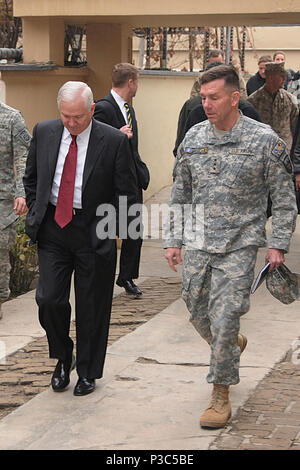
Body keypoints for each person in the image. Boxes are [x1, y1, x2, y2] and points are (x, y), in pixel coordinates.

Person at [164, 65, 297, 429]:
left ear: (234, 98)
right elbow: (180, 194)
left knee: (223, 317)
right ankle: (230, 344)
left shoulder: (264, 140)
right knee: (197, 310)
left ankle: (220, 391)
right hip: (198, 242)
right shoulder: (193, 137)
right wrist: (173, 239)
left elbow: (285, 200)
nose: (206, 104)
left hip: (240, 243)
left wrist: (278, 245)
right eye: (203, 97)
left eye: (214, 97)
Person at [23, 81, 138, 396]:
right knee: (48, 299)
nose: (72, 124)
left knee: (92, 306)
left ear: (91, 110)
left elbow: (127, 192)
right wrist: (35, 210)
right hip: (53, 228)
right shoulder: (44, 131)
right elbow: (31, 177)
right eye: (66, 116)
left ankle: (88, 371)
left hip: (92, 230)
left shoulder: (113, 140)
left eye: (78, 117)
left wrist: (114, 231)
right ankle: (63, 356)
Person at [94, 63, 150, 298]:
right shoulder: (102, 108)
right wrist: (118, 134)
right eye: (137, 81)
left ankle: (126, 276)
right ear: (131, 82)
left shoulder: (128, 108)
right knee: (108, 231)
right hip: (112, 184)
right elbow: (95, 141)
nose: (137, 86)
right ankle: (103, 277)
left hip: (131, 180)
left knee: (133, 232)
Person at [0, 89, 30, 320]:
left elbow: (23, 157)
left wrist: (22, 193)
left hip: (3, 202)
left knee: (0, 255)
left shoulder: (11, 118)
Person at [247, 62, 298, 154]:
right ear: (270, 78)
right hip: (261, 150)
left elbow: (295, 127)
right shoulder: (254, 101)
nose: (284, 79)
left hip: (284, 151)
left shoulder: (290, 99)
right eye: (281, 76)